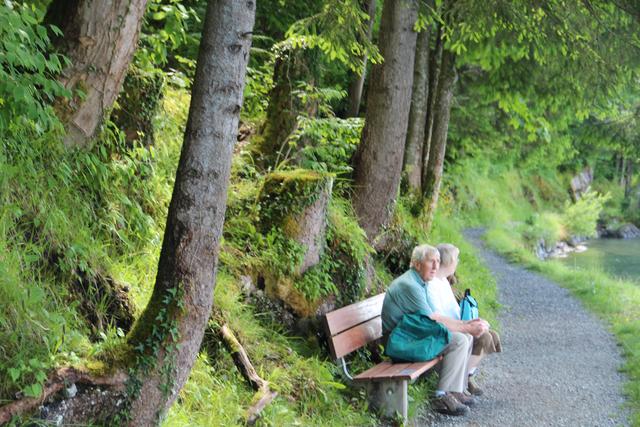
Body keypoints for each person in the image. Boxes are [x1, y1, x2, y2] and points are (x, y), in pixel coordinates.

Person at [381, 244, 489, 416]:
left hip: (413, 333)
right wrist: (466, 327)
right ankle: (441, 395)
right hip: (400, 341)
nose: (436, 266)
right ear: (417, 264)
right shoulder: (410, 286)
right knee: (460, 339)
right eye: (431, 261)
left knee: (466, 337)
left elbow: (435, 316)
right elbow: (434, 319)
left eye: (438, 261)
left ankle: (456, 390)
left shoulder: (420, 282)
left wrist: (467, 324)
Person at [429, 243, 502, 396]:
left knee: (492, 335)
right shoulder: (432, 284)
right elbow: (439, 318)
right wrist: (467, 327)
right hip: (445, 331)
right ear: (449, 261)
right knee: (483, 337)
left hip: (456, 326)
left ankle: (466, 377)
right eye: (456, 259)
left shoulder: (444, 282)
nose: (457, 262)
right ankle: (458, 384)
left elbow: (455, 313)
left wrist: (474, 322)